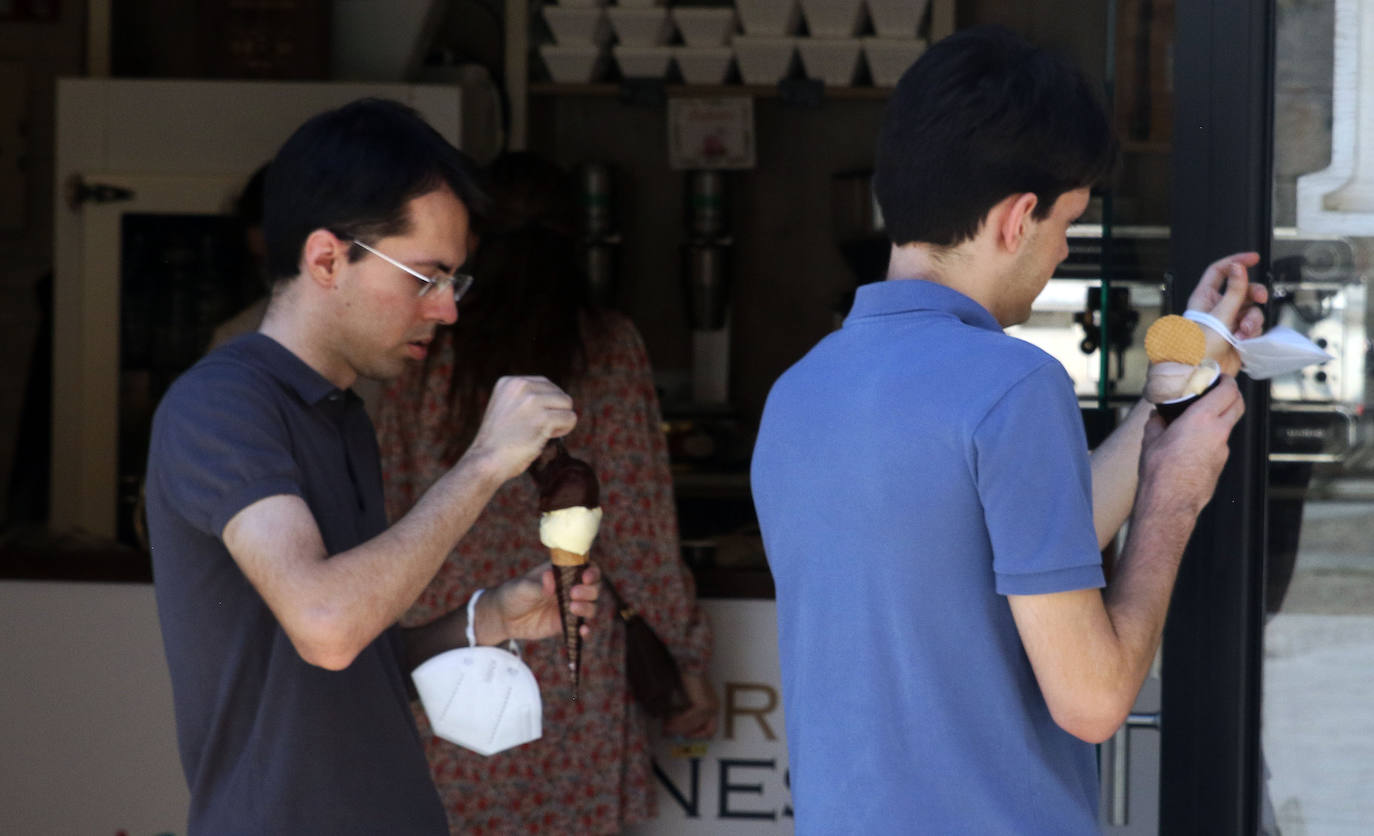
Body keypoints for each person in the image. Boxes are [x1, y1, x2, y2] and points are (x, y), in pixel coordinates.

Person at [749, 26, 1268, 834]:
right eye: (1068, 222)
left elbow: (1016, 549)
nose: (1065, 248)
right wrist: (1175, 494)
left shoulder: (800, 390)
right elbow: (1093, 702)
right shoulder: (1013, 383)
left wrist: (1171, 395)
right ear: (1018, 217)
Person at [143, 99, 600, 835]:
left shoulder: (345, 414)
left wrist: (484, 619)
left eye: (457, 282)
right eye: (426, 277)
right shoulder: (221, 405)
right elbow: (325, 625)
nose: (448, 311)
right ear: (327, 258)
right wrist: (484, 462)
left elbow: (353, 665)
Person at [376, 151, 717, 834]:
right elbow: (639, 526)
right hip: (572, 651)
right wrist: (686, 660)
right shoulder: (607, 348)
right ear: (575, 238)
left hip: (448, 651)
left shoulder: (422, 351)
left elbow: (389, 500)